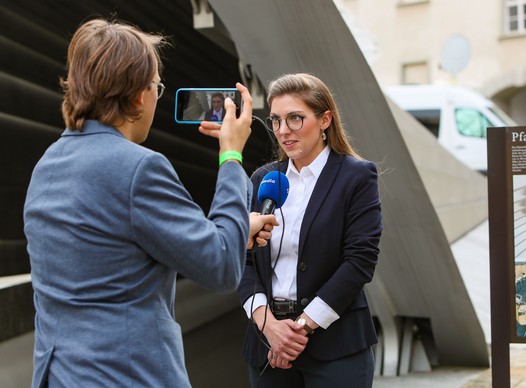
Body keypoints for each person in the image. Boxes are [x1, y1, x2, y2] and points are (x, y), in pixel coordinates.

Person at [23, 18, 276, 387]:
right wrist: (231, 156)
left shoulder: (47, 166)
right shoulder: (140, 168)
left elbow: (111, 251)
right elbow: (220, 265)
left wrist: (238, 230)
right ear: (139, 96)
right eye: (157, 87)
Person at [237, 73, 383, 387]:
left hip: (337, 345)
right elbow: (242, 259)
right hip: (268, 342)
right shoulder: (262, 178)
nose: (283, 131)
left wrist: (300, 328)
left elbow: (360, 261)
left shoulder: (356, 176)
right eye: (276, 120)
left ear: (325, 119)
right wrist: (269, 325)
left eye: (295, 119)